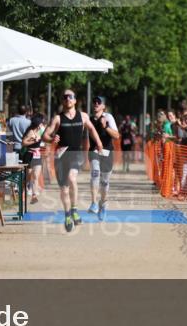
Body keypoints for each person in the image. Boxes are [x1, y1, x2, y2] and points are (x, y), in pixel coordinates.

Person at [42, 89, 104, 232]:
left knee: (72, 178)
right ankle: (68, 214)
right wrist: (52, 139)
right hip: (61, 156)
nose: (68, 99)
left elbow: (92, 129)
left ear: (75, 100)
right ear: (63, 101)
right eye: (65, 97)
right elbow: (45, 135)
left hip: (75, 154)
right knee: (64, 188)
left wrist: (99, 143)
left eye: (70, 97)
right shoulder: (57, 119)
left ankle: (75, 210)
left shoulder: (83, 116)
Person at [88, 95, 119, 220]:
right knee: (95, 173)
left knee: (105, 182)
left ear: (103, 106)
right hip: (94, 151)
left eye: (98, 102)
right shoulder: (89, 119)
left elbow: (116, 135)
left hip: (107, 152)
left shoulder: (108, 117)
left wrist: (105, 127)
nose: (96, 103)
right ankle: (94, 203)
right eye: (94, 101)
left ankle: (103, 204)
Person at [21, 114, 46, 204]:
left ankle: (34, 195)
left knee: (36, 175)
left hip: (37, 155)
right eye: (41, 123)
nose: (42, 124)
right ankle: (23, 192)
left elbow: (47, 135)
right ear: (37, 123)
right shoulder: (30, 132)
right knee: (28, 176)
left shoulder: (41, 130)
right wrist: (34, 140)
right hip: (29, 155)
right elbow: (23, 143)